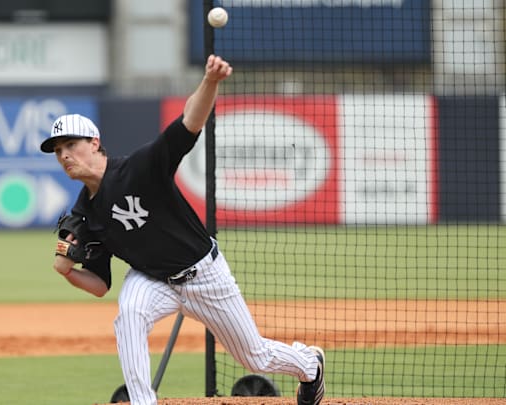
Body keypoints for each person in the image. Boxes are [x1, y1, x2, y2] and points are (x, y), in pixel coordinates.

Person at [40, 54, 325, 405]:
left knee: (254, 356)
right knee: (129, 314)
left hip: (205, 275)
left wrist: (210, 81)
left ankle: (309, 364)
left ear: (94, 143)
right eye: (57, 151)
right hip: (153, 279)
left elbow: (189, 122)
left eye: (71, 145)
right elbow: (100, 285)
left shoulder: (140, 168)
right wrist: (67, 270)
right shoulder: (84, 214)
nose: (64, 155)